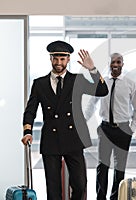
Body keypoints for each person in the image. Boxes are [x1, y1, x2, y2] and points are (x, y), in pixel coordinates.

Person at [21, 40, 108, 200]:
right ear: (50, 59)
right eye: (55, 58)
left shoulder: (77, 80)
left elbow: (102, 90)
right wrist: (27, 131)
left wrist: (92, 69)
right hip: (51, 139)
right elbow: (30, 110)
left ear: (68, 60)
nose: (58, 62)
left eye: (62, 59)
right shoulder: (39, 84)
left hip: (74, 137)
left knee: (80, 184)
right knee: (53, 188)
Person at [91, 53, 136, 200]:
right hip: (105, 129)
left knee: (120, 168)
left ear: (122, 64)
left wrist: (131, 129)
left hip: (123, 129)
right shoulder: (102, 83)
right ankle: (100, 197)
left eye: (118, 62)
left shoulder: (130, 84)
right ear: (109, 64)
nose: (115, 64)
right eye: (113, 62)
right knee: (103, 166)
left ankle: (115, 197)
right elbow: (92, 105)